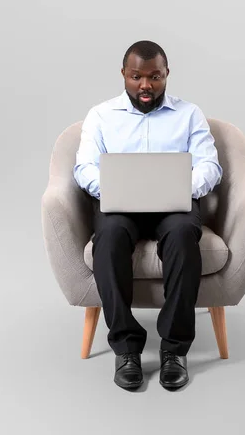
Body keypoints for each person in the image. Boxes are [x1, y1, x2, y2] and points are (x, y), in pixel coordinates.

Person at [73, 40, 223, 391]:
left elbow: (210, 167)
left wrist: (177, 189)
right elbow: (84, 168)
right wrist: (113, 190)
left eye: (154, 77)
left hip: (174, 205)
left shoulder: (189, 114)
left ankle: (175, 350)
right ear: (124, 75)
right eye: (137, 76)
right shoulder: (101, 115)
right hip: (119, 205)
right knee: (108, 239)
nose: (145, 85)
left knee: (184, 235)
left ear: (166, 74)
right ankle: (126, 349)